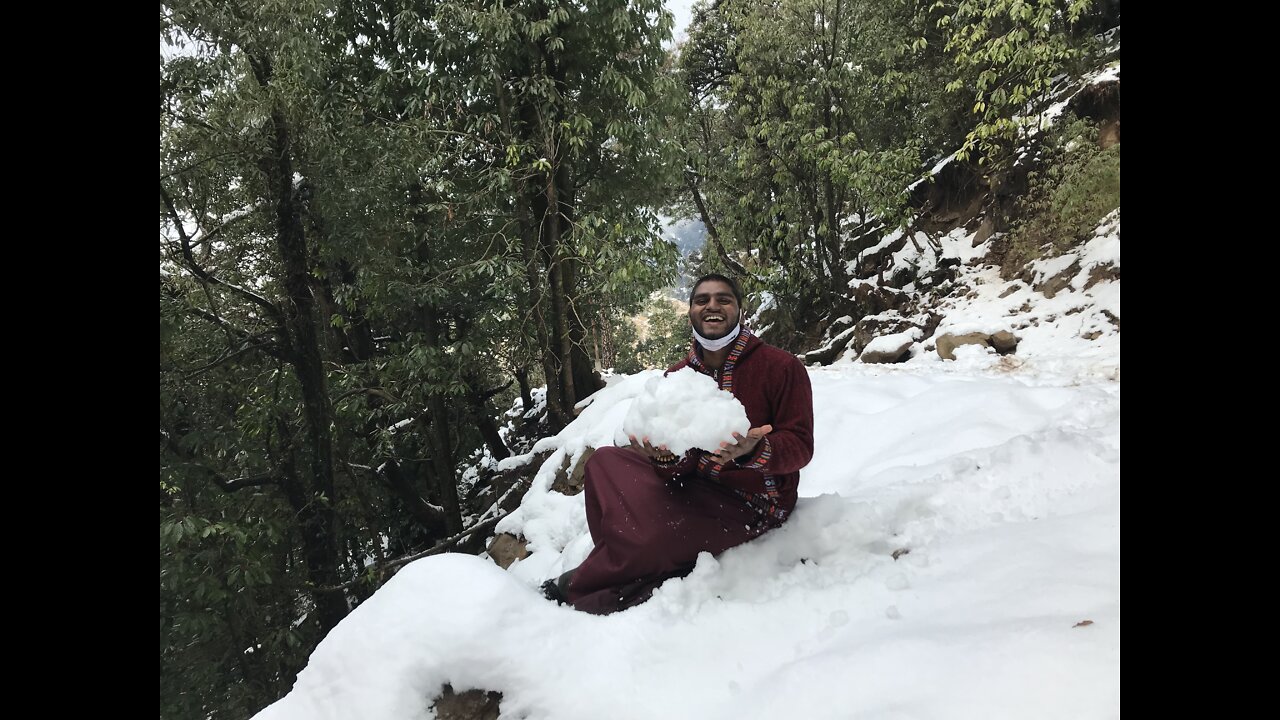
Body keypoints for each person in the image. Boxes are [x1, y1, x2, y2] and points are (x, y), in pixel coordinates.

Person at [542, 273, 814, 614]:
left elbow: (801, 446)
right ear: (690, 312)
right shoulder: (678, 375)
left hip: (753, 502)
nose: (712, 306)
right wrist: (666, 458)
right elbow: (680, 466)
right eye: (702, 300)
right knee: (604, 463)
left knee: (649, 540)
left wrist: (755, 451)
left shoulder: (781, 367)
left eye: (723, 299)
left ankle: (587, 581)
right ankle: (622, 554)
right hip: (694, 488)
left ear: (739, 309)